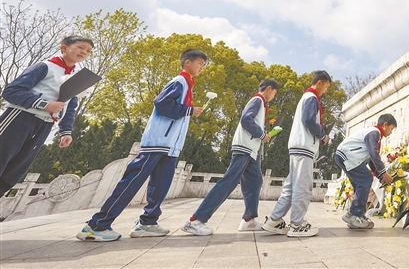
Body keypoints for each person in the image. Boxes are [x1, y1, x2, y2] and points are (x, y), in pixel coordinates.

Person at [76, 49, 207, 242]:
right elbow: (161, 104)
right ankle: (96, 226)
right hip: (157, 143)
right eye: (200, 64)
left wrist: (187, 112)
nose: (201, 68)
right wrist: (188, 110)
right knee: (131, 183)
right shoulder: (179, 82)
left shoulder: (188, 85)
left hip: (170, 147)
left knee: (160, 187)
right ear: (187, 63)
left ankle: (147, 223)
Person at [182, 79, 279, 235]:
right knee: (228, 182)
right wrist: (261, 134)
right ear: (269, 88)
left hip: (251, 150)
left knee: (255, 181)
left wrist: (262, 135)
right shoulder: (257, 100)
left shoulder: (260, 103)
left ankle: (249, 220)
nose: (274, 96)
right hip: (244, 148)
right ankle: (195, 220)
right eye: (275, 93)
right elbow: (246, 119)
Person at [0, 35, 94, 195]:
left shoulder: (75, 78)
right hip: (20, 118)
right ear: (64, 48)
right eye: (81, 47)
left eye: (88, 51)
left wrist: (66, 131)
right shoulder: (45, 67)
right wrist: (44, 104)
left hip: (44, 126)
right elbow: (11, 91)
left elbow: (70, 106)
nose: (84, 52)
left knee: (15, 170)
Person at [262, 70, 331, 238]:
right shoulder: (311, 98)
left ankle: (274, 219)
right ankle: (297, 224)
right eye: (326, 87)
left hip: (298, 146)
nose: (326, 90)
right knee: (302, 187)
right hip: (303, 147)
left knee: (291, 187)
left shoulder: (307, 98)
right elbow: (309, 120)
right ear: (320, 83)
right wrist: (322, 134)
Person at [334, 113, 396, 229]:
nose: (391, 132)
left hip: (345, 156)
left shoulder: (375, 134)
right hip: (347, 155)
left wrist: (380, 176)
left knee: (360, 183)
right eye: (391, 129)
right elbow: (373, 155)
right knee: (366, 179)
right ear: (385, 125)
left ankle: (359, 216)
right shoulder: (374, 133)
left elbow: (371, 161)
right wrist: (383, 172)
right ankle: (353, 214)